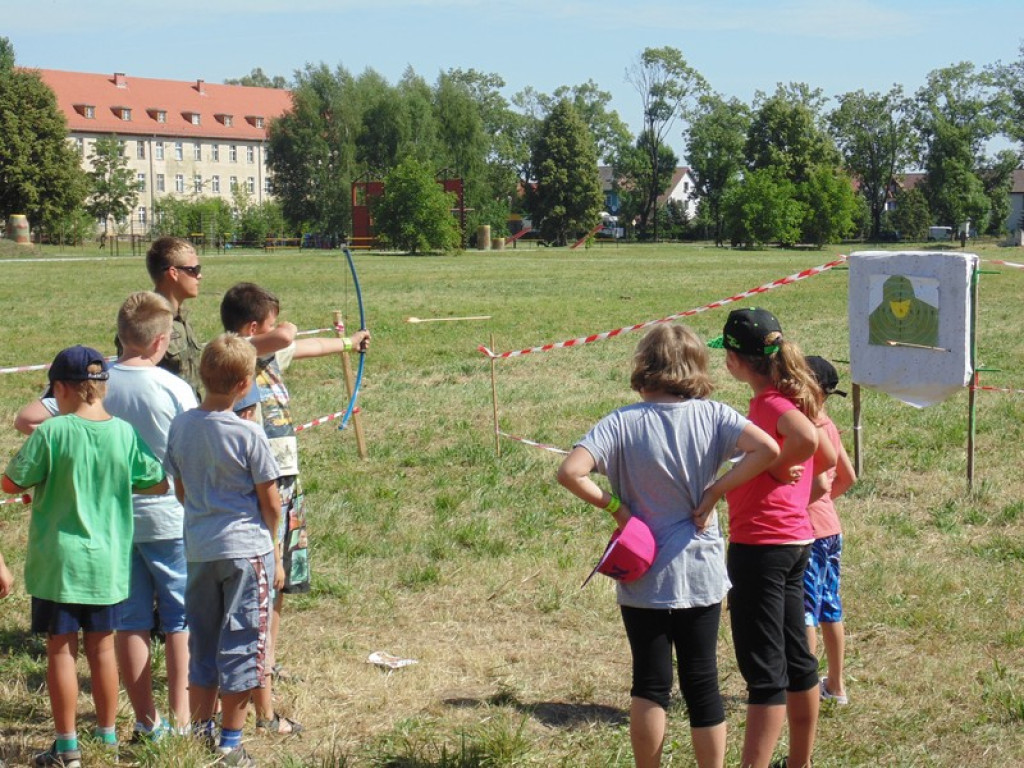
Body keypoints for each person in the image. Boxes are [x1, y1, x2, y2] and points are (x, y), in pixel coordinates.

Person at [557, 324, 780, 768]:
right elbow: (769, 449)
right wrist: (715, 490)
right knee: (703, 682)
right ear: (697, 364)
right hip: (700, 569)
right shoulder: (715, 415)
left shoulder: (619, 421)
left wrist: (619, 509)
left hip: (642, 570)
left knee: (649, 683)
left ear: (645, 366)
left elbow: (570, 472)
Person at [2, 346, 167, 768]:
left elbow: (11, 481)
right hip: (107, 563)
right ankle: (108, 736)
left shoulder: (51, 432)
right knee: (102, 649)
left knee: (60, 650)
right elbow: (155, 482)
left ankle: (67, 744)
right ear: (101, 387)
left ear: (60, 389)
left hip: (59, 565)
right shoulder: (124, 433)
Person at [219, 282, 370, 734]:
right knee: (266, 585)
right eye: (268, 321)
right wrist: (281, 325)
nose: (279, 328)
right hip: (263, 488)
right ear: (251, 329)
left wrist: (348, 342)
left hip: (286, 484)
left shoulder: (264, 355)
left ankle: (267, 661)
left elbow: (300, 346)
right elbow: (286, 335)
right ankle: (257, 679)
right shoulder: (237, 357)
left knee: (280, 587)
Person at [164, 333, 283, 767]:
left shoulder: (181, 425)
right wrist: (272, 544)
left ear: (201, 374)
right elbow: (270, 502)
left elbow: (180, 488)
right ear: (244, 384)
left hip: (198, 549)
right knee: (243, 641)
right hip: (246, 552)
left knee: (204, 640)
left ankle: (200, 731)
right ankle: (230, 744)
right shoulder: (249, 434)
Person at [719, 308, 829, 768]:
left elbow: (806, 441)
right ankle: (799, 763)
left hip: (761, 546)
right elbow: (823, 463)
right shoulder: (793, 396)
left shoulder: (768, 403)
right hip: (793, 541)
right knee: (797, 661)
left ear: (733, 359)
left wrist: (779, 466)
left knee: (765, 671)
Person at [105, 292, 199, 740]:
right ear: (162, 341)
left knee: (131, 621)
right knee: (180, 618)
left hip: (113, 522)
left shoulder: (97, 379)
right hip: (168, 518)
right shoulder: (173, 387)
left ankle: (147, 721)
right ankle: (182, 716)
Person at [803, 356, 857, 708]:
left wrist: (807, 503)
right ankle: (836, 685)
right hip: (831, 530)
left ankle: (802, 688)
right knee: (829, 607)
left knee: (804, 611)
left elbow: (821, 482)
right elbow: (848, 478)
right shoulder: (827, 424)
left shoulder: (801, 428)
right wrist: (825, 504)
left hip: (803, 531)